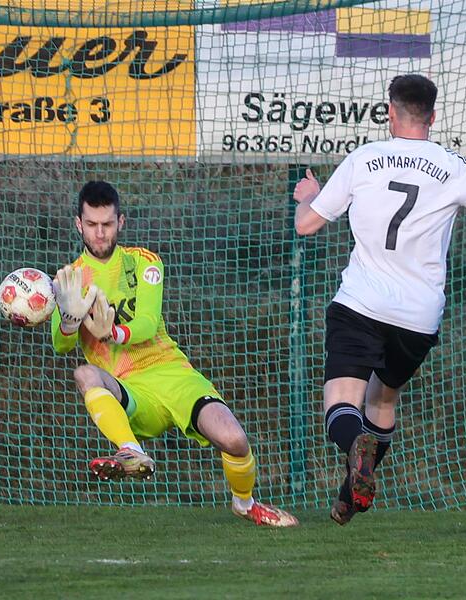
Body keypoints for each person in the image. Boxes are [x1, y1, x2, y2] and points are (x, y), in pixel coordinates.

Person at [292, 74, 466, 525]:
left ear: (389, 111)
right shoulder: (453, 167)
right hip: (417, 316)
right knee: (383, 401)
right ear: (432, 117)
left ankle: (356, 449)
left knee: (341, 401)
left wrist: (309, 196)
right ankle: (352, 489)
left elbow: (307, 225)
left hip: (362, 303)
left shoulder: (364, 158)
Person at [51, 180, 298, 527]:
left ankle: (245, 503)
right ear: (79, 224)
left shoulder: (144, 263)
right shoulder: (69, 280)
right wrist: (68, 322)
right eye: (91, 225)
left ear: (121, 222)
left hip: (172, 374)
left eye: (107, 224)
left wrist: (113, 331)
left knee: (235, 439)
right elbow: (60, 346)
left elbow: (149, 323)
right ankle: (131, 452)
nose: (100, 233)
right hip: (128, 391)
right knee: (84, 373)